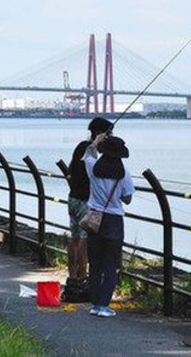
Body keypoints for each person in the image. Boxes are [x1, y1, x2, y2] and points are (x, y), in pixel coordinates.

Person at [63, 116, 114, 300]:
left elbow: (69, 172)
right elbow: (91, 170)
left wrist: (74, 187)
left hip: (72, 198)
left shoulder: (79, 146)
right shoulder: (90, 151)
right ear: (101, 134)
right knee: (85, 241)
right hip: (85, 201)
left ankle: (72, 279)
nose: (110, 137)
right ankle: (83, 279)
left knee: (74, 238)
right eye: (109, 134)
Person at [85, 133, 134, 318]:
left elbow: (87, 155)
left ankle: (95, 304)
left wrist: (95, 142)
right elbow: (127, 198)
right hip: (114, 219)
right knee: (111, 265)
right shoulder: (124, 174)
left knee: (95, 263)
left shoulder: (93, 167)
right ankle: (104, 305)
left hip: (94, 218)